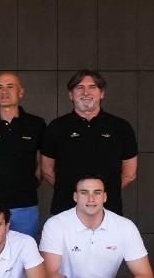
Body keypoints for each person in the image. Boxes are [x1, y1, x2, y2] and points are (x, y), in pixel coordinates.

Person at [41, 70, 138, 216]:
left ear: (102, 93)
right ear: (71, 95)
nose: (86, 92)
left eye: (92, 87)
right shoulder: (56, 127)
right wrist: (74, 193)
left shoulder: (121, 127)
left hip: (108, 210)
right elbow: (47, 170)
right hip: (65, 210)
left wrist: (101, 194)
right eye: (79, 87)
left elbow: (129, 174)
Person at [0, 72, 46, 239]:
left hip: (25, 204)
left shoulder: (36, 124)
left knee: (25, 255)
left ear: (20, 92)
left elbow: (41, 163)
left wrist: (31, 184)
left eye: (10, 86)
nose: (4, 91)